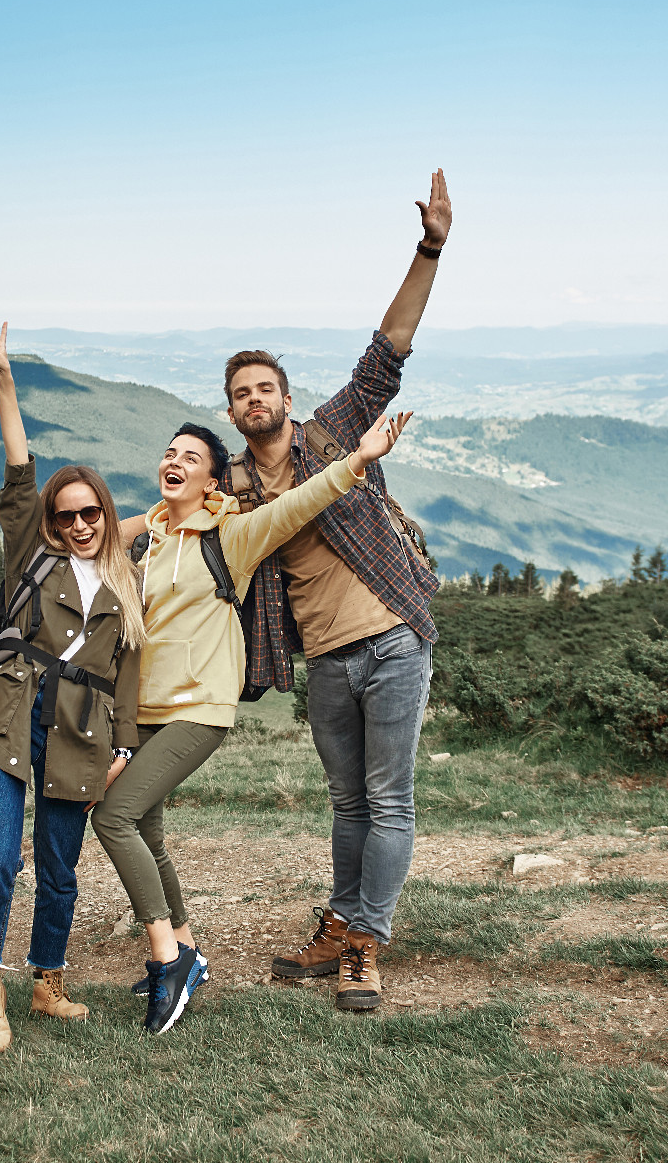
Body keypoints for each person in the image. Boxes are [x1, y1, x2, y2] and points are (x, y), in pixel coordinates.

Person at [98, 407, 411, 1034]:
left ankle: (169, 959)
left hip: (200, 706)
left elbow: (297, 504)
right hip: (148, 710)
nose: (175, 461)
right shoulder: (150, 543)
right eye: (170, 452)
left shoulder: (230, 537)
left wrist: (358, 460)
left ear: (213, 482)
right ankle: (186, 949)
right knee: (147, 831)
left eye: (192, 457)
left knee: (114, 817)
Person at [224, 170, 450, 1012]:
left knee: (388, 798)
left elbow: (389, 347)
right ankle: (344, 920)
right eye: (240, 394)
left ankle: (365, 945)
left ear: (284, 395)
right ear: (233, 411)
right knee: (348, 800)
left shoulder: (334, 431)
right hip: (324, 658)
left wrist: (429, 247)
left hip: (392, 635)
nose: (254, 401)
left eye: (264, 388)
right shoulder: (238, 488)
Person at [0, 323, 147, 1054]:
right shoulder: (32, 551)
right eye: (65, 515)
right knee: (0, 856)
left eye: (89, 512)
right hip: (10, 708)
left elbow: (127, 670)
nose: (77, 523)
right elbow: (18, 469)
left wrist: (125, 747)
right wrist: (5, 380)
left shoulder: (128, 579)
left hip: (82, 728)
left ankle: (48, 978)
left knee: (60, 863)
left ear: (105, 510)